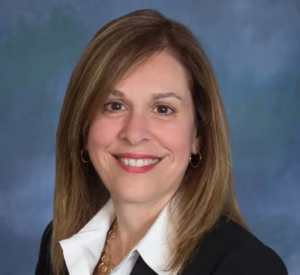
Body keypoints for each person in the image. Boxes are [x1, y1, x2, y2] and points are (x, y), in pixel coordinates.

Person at [35, 9, 288, 275]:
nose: (134, 133)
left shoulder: (247, 267)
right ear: (83, 128)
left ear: (198, 136)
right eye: (115, 105)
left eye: (163, 109)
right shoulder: (60, 244)